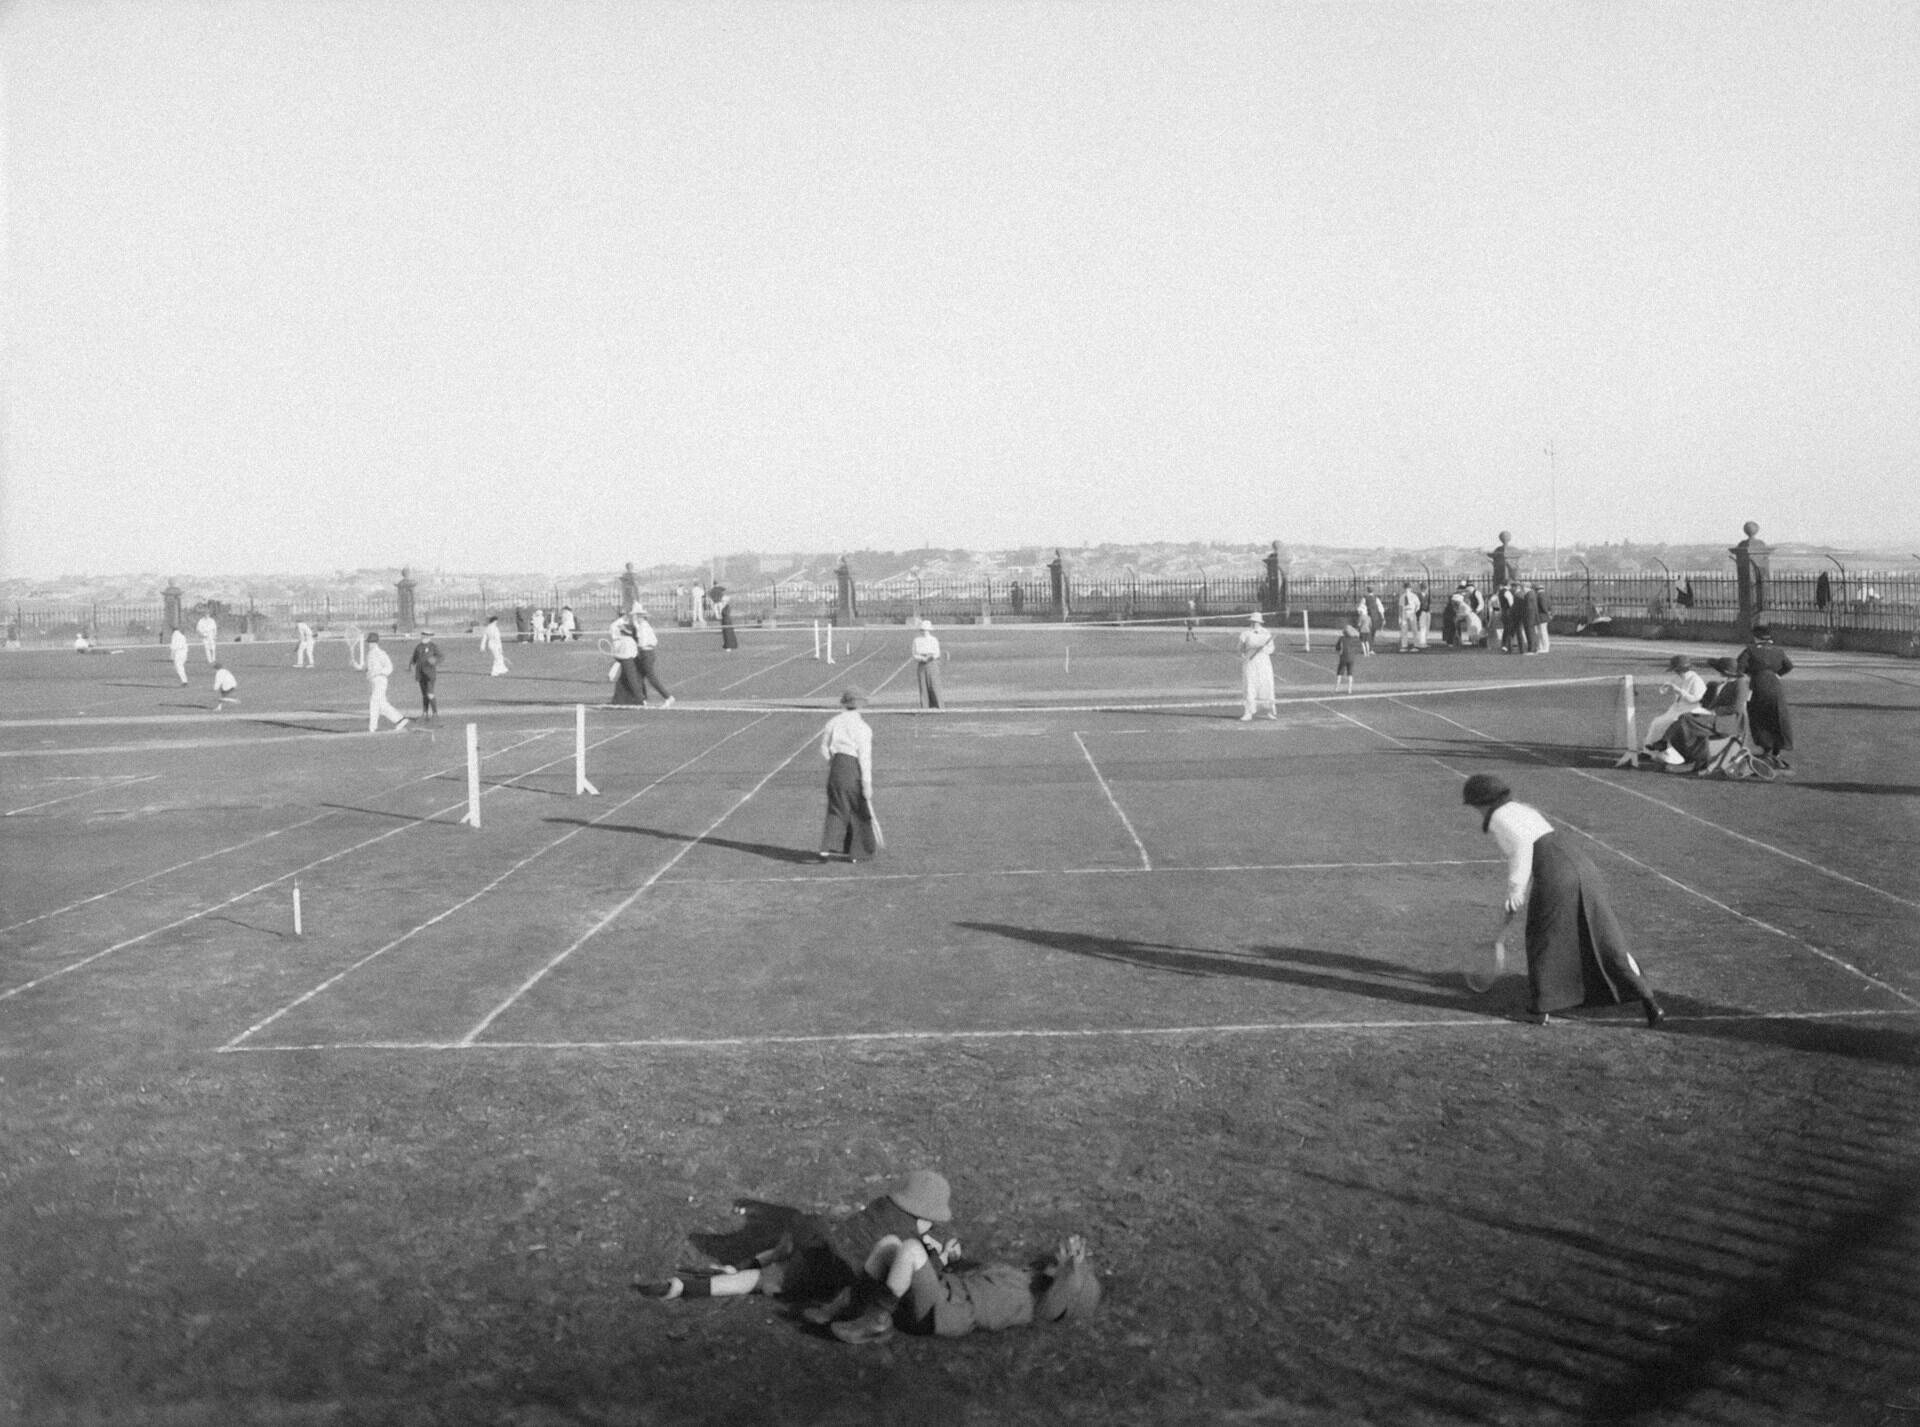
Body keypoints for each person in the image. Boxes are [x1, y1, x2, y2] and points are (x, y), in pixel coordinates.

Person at [1459, 773, 1663, 1027]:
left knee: (1543, 937)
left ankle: (1540, 1009)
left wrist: (1515, 889)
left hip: (1556, 873)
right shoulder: (1522, 810)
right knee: (1607, 940)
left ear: (1483, 802)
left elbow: (1523, 848)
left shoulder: (1499, 818)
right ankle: (1651, 1004)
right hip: (1581, 866)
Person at [634, 1169, 956, 1310]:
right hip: (835, 1264)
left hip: (817, 1232)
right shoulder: (914, 1230)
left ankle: (737, 1266)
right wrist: (943, 1257)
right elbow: (914, 1265)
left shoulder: (882, 1205)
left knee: (779, 1253)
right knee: (760, 1281)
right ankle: (683, 1287)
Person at [825, 1231, 1101, 1345]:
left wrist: (1071, 1268)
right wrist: (953, 1260)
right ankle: (852, 1304)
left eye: (1063, 1270)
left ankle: (878, 1322)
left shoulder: (1031, 1305)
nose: (1057, 1262)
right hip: (941, 1294)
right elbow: (978, 1274)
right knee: (890, 1244)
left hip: (937, 1313)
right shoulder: (1023, 1278)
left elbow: (1056, 1303)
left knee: (909, 1249)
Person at [819, 689, 877, 861]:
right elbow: (864, 758)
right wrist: (867, 784)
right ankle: (858, 852)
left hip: (836, 769)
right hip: (852, 770)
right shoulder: (863, 728)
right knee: (858, 810)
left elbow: (823, 748)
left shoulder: (833, 722)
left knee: (836, 807)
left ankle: (827, 846)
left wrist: (833, 762)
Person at [1620, 655, 1709, 767]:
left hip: (1691, 709)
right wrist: (1664, 688)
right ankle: (1648, 751)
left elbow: (1695, 699)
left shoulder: (1696, 680)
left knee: (1666, 724)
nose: (1675, 672)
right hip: (1677, 708)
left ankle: (1669, 753)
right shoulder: (1677, 678)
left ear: (1680, 669)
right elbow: (1664, 690)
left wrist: (1678, 690)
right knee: (1656, 722)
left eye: (1676, 669)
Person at [1736, 623, 1794, 767]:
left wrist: (1749, 675)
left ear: (1756, 637)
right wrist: (1777, 674)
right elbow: (1789, 666)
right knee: (1777, 715)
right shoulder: (1778, 651)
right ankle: (1777, 750)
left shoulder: (1750, 650)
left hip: (1757, 685)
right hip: (1775, 686)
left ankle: (1766, 748)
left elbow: (1740, 667)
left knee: (1759, 716)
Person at [363, 633, 411, 733]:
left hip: (380, 680)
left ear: (375, 642)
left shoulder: (380, 653)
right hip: (373, 681)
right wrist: (359, 666)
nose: (370, 644)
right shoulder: (370, 654)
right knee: (382, 705)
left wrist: (380, 672)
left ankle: (372, 728)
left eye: (371, 642)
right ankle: (401, 720)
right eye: (370, 642)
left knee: (374, 702)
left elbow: (389, 667)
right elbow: (367, 668)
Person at [1236, 612, 1277, 721]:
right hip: (1250, 662)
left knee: (1266, 685)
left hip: (1264, 661)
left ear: (1260, 622)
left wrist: (1263, 649)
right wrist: (1244, 656)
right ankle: (1248, 712)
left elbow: (1271, 648)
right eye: (1252, 622)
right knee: (1250, 685)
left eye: (1256, 622)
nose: (1254, 624)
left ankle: (1269, 711)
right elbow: (1239, 649)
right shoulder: (1245, 633)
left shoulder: (1266, 633)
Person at [632, 605, 676, 707]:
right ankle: (641, 699)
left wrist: (634, 644)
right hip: (648, 653)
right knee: (638, 676)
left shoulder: (642, 627)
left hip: (646, 654)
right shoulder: (645, 626)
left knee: (651, 678)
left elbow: (642, 643)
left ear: (640, 617)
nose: (635, 618)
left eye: (636, 616)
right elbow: (654, 640)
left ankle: (668, 697)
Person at [607, 616, 644, 706]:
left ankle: (637, 699)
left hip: (626, 654)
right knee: (626, 678)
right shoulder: (624, 624)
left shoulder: (616, 625)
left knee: (629, 678)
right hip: (628, 654)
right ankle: (619, 700)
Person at [408, 628, 442, 722]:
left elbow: (440, 656)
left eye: (427, 636)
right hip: (420, 673)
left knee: (430, 693)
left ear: (430, 637)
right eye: (424, 635)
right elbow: (414, 657)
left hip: (430, 674)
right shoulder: (419, 646)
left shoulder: (433, 646)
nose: (425, 637)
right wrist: (411, 665)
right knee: (424, 694)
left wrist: (434, 660)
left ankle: (435, 714)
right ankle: (425, 714)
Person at [910, 619, 944, 710]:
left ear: (929, 630)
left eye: (926, 630)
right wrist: (922, 658)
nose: (924, 632)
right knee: (923, 686)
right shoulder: (916, 640)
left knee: (934, 685)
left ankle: (938, 706)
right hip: (922, 664)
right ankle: (925, 707)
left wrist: (931, 657)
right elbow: (914, 654)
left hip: (932, 664)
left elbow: (937, 653)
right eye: (923, 630)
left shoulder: (933, 640)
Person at [710, 586, 738, 651]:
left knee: (727, 632)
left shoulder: (722, 601)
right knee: (726, 631)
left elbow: (721, 611)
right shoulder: (718, 602)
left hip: (726, 617)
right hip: (725, 617)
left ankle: (730, 645)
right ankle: (729, 645)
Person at [1333, 623, 1359, 693]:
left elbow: (1337, 648)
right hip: (1351, 657)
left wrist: (1339, 652)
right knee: (1350, 673)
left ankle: (1337, 688)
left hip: (1343, 657)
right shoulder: (1354, 639)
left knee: (1340, 673)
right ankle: (1349, 689)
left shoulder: (1341, 638)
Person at [1530, 584, 1552, 654]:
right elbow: (1548, 606)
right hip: (1544, 616)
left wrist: (1546, 612)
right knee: (1542, 632)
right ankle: (1543, 646)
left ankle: (1545, 647)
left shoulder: (1540, 595)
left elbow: (1543, 606)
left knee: (1542, 632)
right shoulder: (1545, 595)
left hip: (1542, 616)